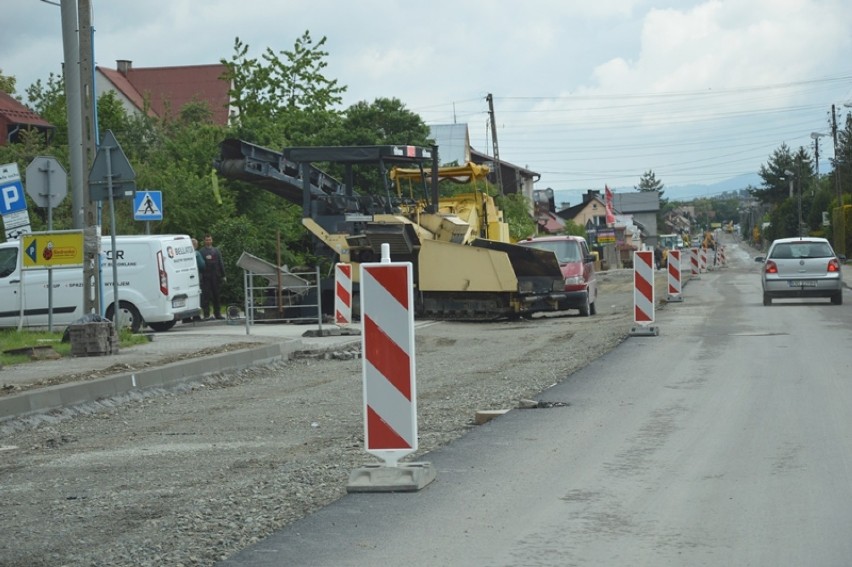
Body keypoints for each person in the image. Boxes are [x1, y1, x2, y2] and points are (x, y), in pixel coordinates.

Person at [200, 234, 226, 320]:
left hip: (216, 276)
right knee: (206, 296)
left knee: (217, 296)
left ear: (212, 240)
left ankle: (217, 314)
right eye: (207, 240)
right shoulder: (201, 252)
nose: (208, 241)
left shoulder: (216, 251)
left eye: (210, 239)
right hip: (206, 277)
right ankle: (206, 314)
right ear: (204, 241)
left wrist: (223, 275)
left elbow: (220, 263)